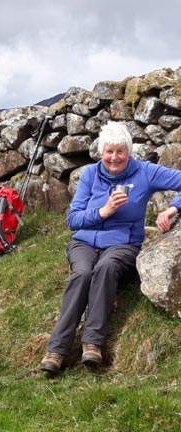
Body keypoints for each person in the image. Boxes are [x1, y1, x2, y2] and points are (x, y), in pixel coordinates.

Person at [39, 121, 181, 375]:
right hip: (84, 242)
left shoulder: (145, 172)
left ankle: (92, 345)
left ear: (128, 152)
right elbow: (73, 220)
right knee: (81, 273)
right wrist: (103, 211)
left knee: (105, 268)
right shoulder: (91, 174)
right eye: (109, 152)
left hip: (123, 243)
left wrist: (173, 208)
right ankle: (57, 350)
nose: (114, 158)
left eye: (120, 151)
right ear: (101, 153)